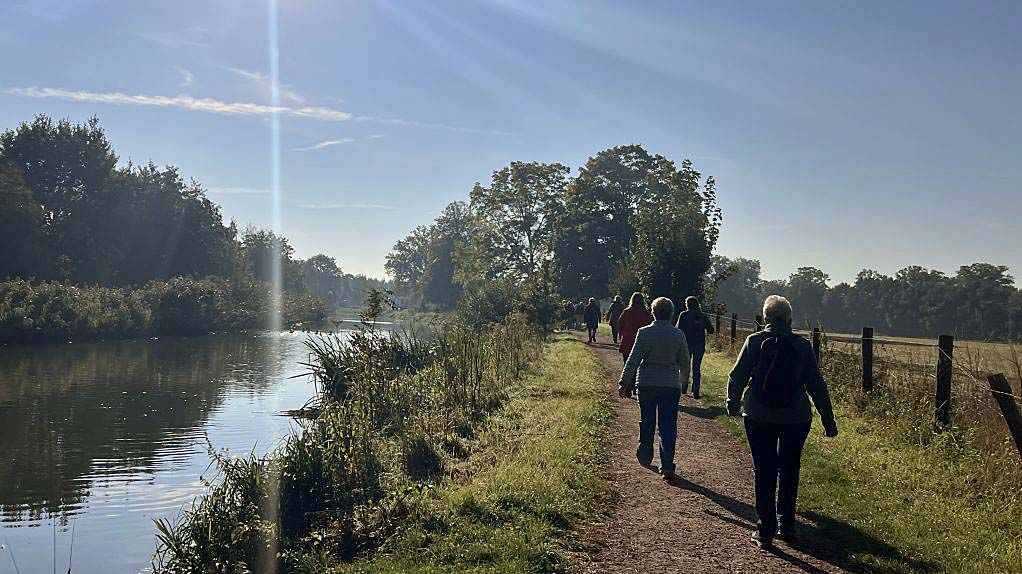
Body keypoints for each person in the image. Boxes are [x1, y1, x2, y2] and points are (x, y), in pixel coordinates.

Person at [726, 295, 838, 550]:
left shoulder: (754, 341)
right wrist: (828, 420)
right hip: (795, 416)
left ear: (765, 318)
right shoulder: (802, 346)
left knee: (764, 470)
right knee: (790, 468)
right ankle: (786, 525)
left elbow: (738, 375)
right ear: (789, 319)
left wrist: (732, 403)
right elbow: (816, 385)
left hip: (758, 414)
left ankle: (764, 531)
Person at [618, 297, 690, 481]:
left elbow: (633, 358)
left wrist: (624, 382)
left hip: (647, 383)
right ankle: (667, 465)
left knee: (647, 419)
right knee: (667, 425)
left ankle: (645, 451)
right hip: (669, 384)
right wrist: (684, 382)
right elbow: (684, 361)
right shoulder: (678, 334)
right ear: (671, 313)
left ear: (653, 312)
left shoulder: (644, 333)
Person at [675, 296, 715, 399]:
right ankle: (695, 391)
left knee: (684, 366)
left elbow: (678, 329)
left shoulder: (683, 315)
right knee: (696, 367)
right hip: (699, 344)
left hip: (686, 344)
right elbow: (711, 330)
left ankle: (683, 387)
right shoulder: (702, 316)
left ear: (687, 305)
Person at [617, 292, 654, 363]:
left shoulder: (627, 312)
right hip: (642, 343)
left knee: (627, 364)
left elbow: (620, 325)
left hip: (628, 341)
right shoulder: (647, 314)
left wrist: (622, 336)